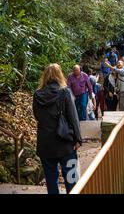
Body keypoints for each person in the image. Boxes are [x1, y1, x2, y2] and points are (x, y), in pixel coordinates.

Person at [33, 64, 82, 194]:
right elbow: (73, 117)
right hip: (65, 141)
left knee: (51, 180)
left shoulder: (37, 95)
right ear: (60, 75)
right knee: (72, 178)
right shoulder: (64, 92)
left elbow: (37, 116)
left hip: (45, 143)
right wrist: (78, 139)